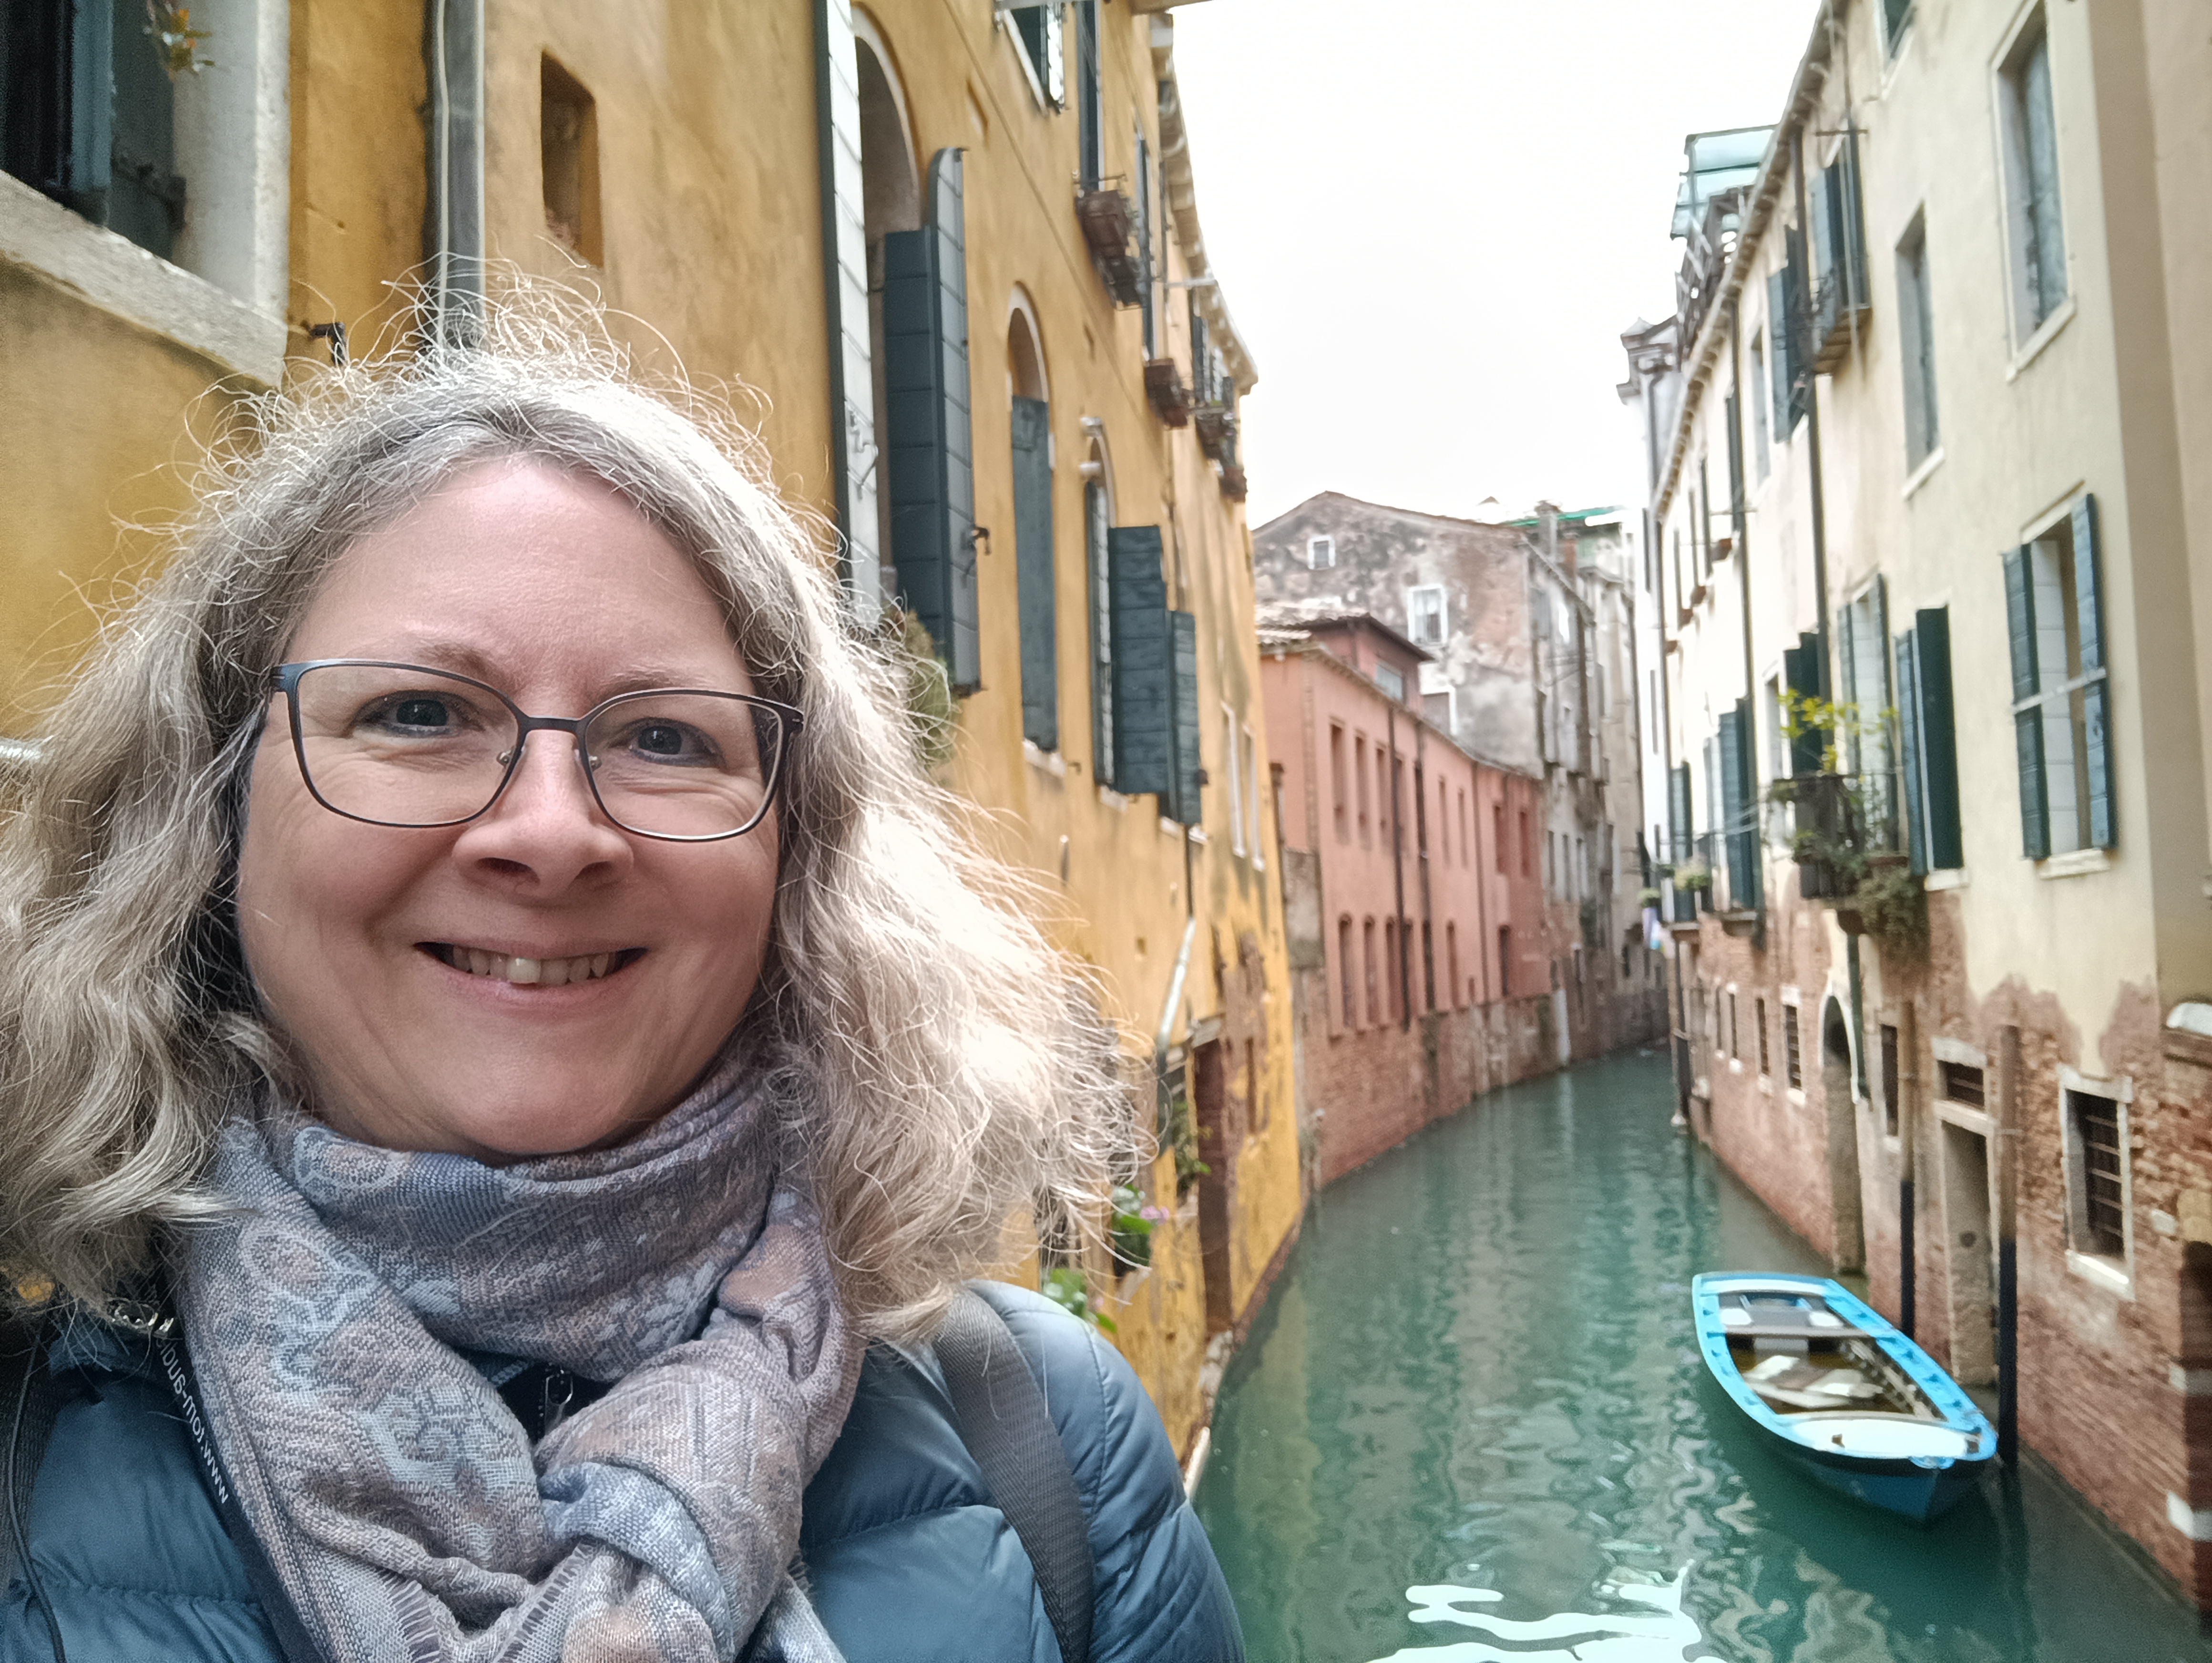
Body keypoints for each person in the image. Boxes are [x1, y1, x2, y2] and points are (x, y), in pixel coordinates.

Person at [0, 314, 1245, 1663]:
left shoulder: (1052, 1443)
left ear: (797, 852)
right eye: (418, 713)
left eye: (662, 737)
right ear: (217, 802)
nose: (549, 833)